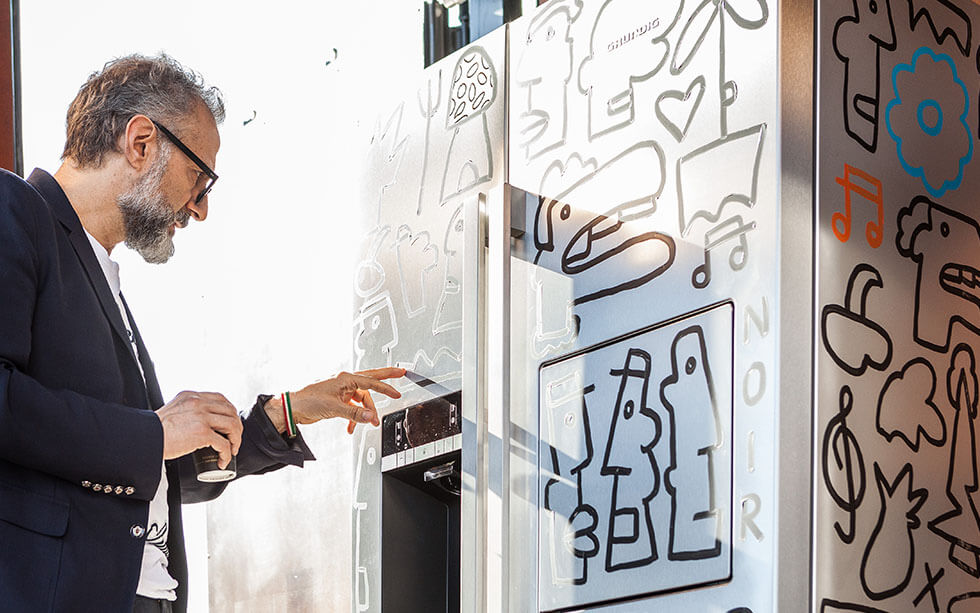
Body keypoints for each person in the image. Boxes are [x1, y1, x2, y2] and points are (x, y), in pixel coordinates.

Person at [0, 53, 404, 613]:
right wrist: (155, 433)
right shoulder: (13, 210)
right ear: (141, 142)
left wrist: (283, 414)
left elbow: (141, 469)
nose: (202, 207)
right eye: (199, 176)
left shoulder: (100, 273)